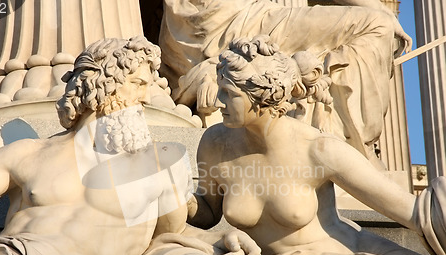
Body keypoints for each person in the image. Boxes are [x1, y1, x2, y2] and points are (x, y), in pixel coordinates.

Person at [0, 36, 260, 255]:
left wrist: (224, 238)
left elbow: (173, 234)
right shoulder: (27, 153)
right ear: (101, 85)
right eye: (137, 84)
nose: (146, 99)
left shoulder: (152, 169)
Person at [188, 36, 446, 255]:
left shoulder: (317, 149)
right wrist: (168, 202)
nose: (217, 101)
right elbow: (207, 210)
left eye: (228, 93)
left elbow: (413, 212)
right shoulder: (215, 144)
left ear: (261, 96)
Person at [161, 0, 412, 165]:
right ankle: (342, 141)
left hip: (242, 17)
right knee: (377, 23)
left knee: (377, 22)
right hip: (238, 19)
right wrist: (383, 12)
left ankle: (334, 134)